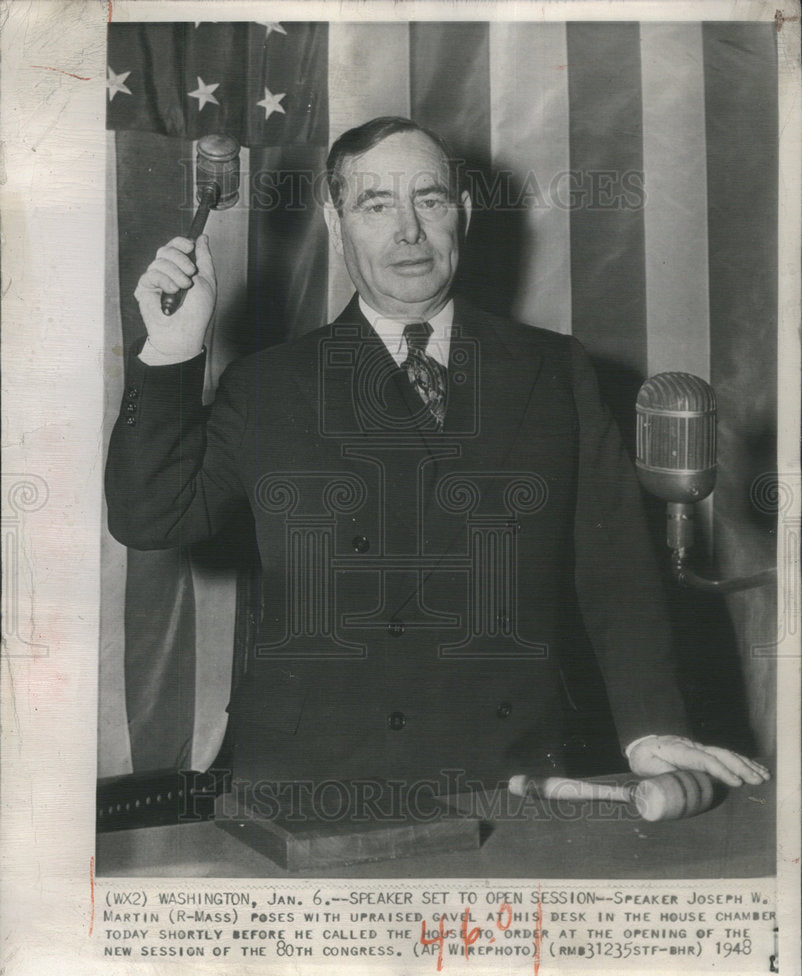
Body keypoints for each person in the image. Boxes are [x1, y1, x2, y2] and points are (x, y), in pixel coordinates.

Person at [106, 116, 769, 796]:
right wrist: (171, 351)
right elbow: (151, 517)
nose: (409, 232)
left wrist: (650, 727)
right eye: (376, 205)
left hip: (507, 766)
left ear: (465, 213)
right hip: (316, 775)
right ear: (336, 225)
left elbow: (616, 570)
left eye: (429, 199)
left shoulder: (553, 369)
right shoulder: (268, 385)